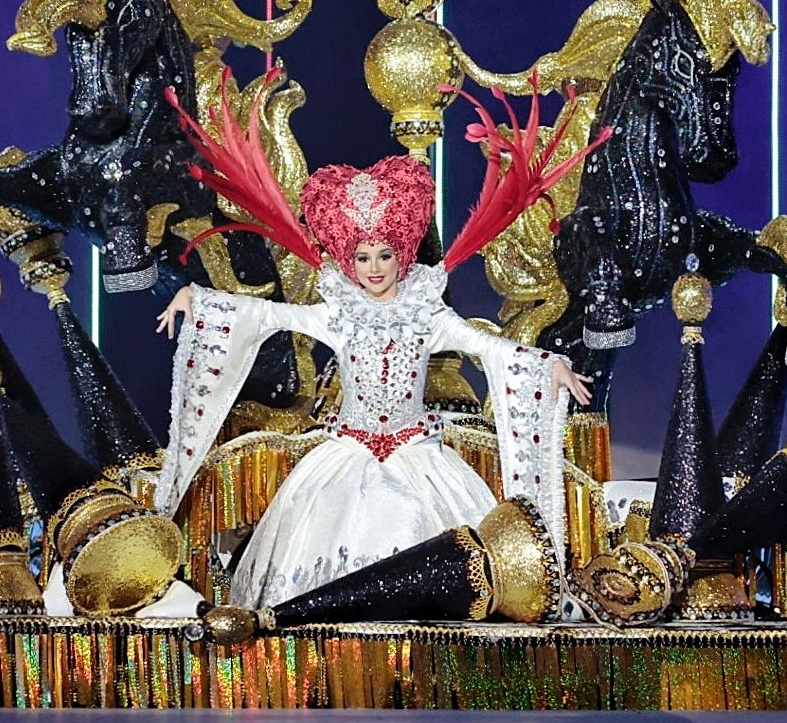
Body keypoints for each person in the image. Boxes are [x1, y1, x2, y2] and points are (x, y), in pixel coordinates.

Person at [153, 73, 605, 607]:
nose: (373, 269)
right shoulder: (338, 313)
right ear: (348, 258)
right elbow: (267, 315)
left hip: (421, 458)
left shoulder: (424, 311)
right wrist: (199, 302)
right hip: (344, 456)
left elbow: (488, 347)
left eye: (384, 256)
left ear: (403, 254)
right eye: (363, 257)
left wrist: (544, 366)